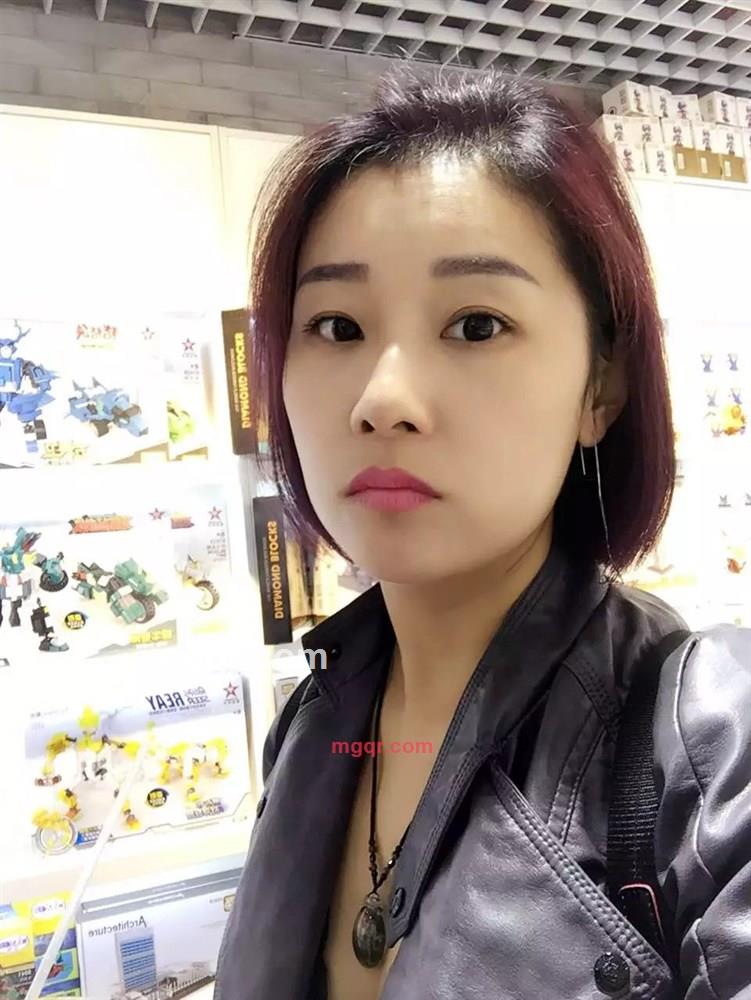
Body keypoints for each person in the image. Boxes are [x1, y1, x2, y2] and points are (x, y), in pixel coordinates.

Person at [214, 68, 751, 999]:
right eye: (335, 325)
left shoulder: (710, 754)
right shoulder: (313, 726)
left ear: (599, 387)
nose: (382, 399)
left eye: (474, 325)